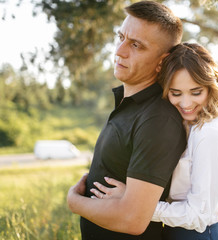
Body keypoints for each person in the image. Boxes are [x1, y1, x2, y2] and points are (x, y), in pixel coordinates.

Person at [91, 43, 218, 240]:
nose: (186, 104)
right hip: (175, 230)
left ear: (210, 88)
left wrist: (135, 203)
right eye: (176, 93)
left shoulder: (210, 133)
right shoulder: (189, 123)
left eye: (196, 92)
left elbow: (197, 216)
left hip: (198, 234)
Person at [66, 1, 186, 240]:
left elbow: (133, 220)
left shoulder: (157, 119)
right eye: (121, 37)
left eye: (136, 45)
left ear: (162, 61)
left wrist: (74, 201)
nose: (119, 51)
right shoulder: (129, 104)